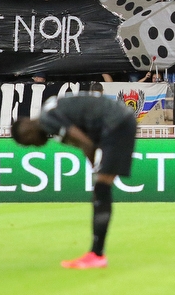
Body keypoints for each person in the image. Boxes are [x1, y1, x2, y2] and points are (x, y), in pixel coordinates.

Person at [11, 95, 138, 269]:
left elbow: (86, 143)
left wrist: (96, 171)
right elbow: (85, 142)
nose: (35, 146)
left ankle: (96, 255)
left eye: (28, 143)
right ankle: (96, 254)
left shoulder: (48, 120)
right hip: (118, 120)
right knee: (101, 188)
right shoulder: (49, 111)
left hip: (116, 123)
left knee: (101, 189)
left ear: (27, 132)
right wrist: (96, 169)